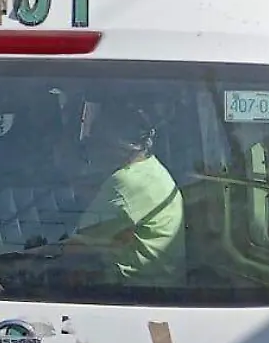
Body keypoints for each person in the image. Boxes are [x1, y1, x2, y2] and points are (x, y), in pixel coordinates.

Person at [66, 101, 186, 285]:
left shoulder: (126, 182)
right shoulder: (151, 169)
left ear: (120, 146)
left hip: (133, 289)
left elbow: (76, 247)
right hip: (164, 282)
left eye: (98, 141)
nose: (92, 150)